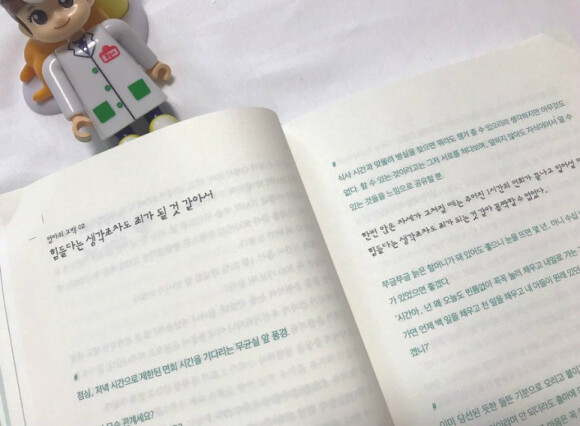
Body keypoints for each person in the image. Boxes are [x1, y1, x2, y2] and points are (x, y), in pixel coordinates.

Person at [1, 0, 177, 144]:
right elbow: (63, 90)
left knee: (145, 99)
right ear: (27, 30)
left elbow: (133, 43)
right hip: (100, 103)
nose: (60, 18)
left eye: (66, 2)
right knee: (113, 121)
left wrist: (152, 64)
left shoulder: (111, 28)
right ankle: (125, 136)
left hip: (132, 84)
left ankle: (157, 116)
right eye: (39, 17)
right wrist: (75, 115)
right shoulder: (53, 64)